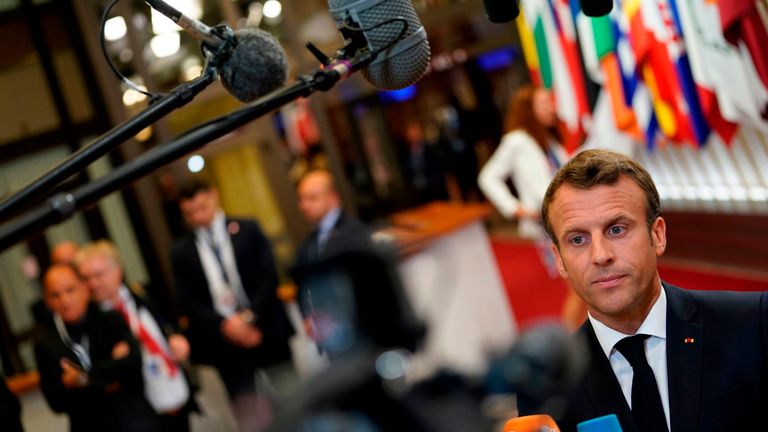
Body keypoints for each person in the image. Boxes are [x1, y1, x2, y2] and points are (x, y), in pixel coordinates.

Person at [527, 149, 768, 431]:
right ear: (559, 259)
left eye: (616, 230)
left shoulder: (753, 325)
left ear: (658, 235)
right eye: (578, 239)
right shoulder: (544, 386)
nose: (600, 255)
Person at [170, 178, 294, 431]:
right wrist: (227, 325)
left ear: (214, 196)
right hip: (225, 342)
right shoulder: (181, 251)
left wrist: (249, 318)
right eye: (190, 213)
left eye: (202, 207)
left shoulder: (247, 229)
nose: (198, 216)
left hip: (265, 330)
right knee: (249, 415)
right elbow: (188, 301)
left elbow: (269, 276)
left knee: (292, 396)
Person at [477, 85, 586, 330]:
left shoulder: (547, 138)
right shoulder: (516, 141)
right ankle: (572, 338)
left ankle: (580, 337)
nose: (551, 107)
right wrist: (514, 208)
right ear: (529, 109)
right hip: (545, 225)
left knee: (582, 284)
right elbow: (487, 176)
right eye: (544, 103)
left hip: (563, 219)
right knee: (580, 286)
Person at [75, 240, 196, 432]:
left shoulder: (141, 294)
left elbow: (170, 324)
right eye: (86, 278)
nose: (93, 284)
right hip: (139, 413)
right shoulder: (90, 321)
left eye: (98, 275)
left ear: (117, 271)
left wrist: (177, 338)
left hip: (175, 389)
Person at [34, 264, 160, 431]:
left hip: (134, 421)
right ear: (48, 301)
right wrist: (111, 371)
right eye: (55, 295)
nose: (64, 300)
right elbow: (57, 402)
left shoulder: (110, 319)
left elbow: (134, 363)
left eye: (70, 290)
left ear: (84, 288)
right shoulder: (46, 343)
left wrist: (82, 379)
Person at [294, 169, 373, 267]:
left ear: (333, 198)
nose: (304, 206)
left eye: (312, 198)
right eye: (301, 199)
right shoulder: (306, 246)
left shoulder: (355, 233)